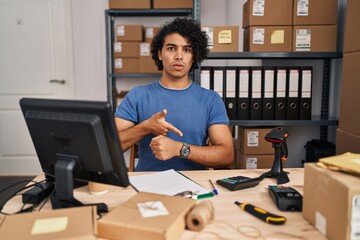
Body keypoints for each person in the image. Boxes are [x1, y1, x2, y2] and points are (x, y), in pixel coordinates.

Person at [114, 17, 234, 171]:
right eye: (171, 48)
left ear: (194, 57)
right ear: (159, 53)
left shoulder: (211, 100)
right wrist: (145, 128)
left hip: (195, 188)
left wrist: (179, 148)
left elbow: (226, 155)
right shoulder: (138, 95)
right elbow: (108, 145)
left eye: (187, 49)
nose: (179, 56)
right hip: (148, 186)